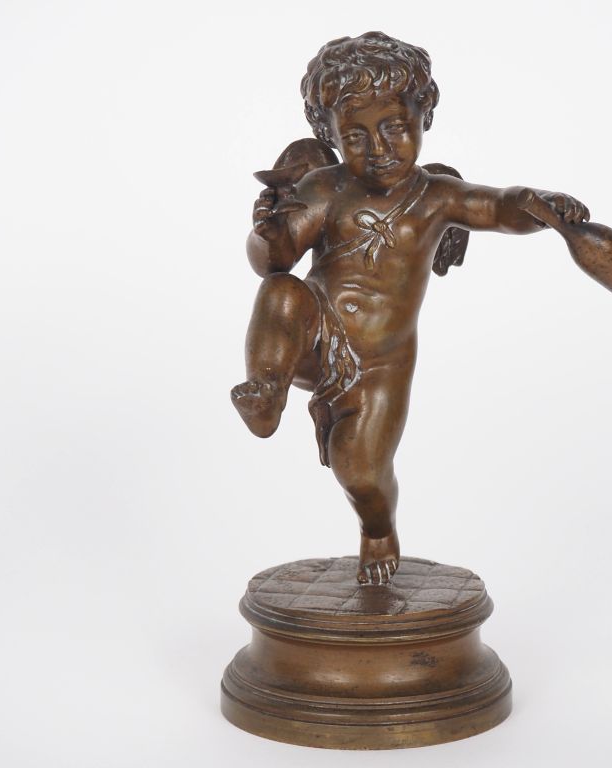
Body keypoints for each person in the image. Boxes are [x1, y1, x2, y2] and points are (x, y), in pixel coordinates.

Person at [232, 31, 589, 585]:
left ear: (424, 115)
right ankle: (267, 390)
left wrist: (536, 205)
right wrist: (267, 232)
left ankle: (377, 530)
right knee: (280, 292)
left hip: (381, 367)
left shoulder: (436, 196)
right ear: (330, 135)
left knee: (361, 471)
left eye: (394, 127)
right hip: (314, 335)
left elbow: (497, 207)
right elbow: (272, 262)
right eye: (355, 135)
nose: (378, 147)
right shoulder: (325, 189)